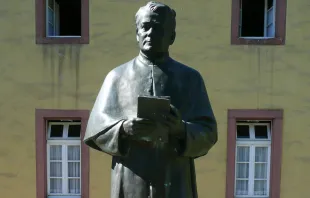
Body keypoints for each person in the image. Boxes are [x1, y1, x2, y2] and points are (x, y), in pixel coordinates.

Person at [83, 1, 218, 198]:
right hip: (130, 177)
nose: (150, 33)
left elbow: (209, 131)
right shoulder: (117, 77)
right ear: (137, 33)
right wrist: (123, 128)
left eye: (158, 28)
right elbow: (96, 127)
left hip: (175, 178)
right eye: (145, 27)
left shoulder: (190, 78)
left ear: (171, 36)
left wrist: (181, 128)